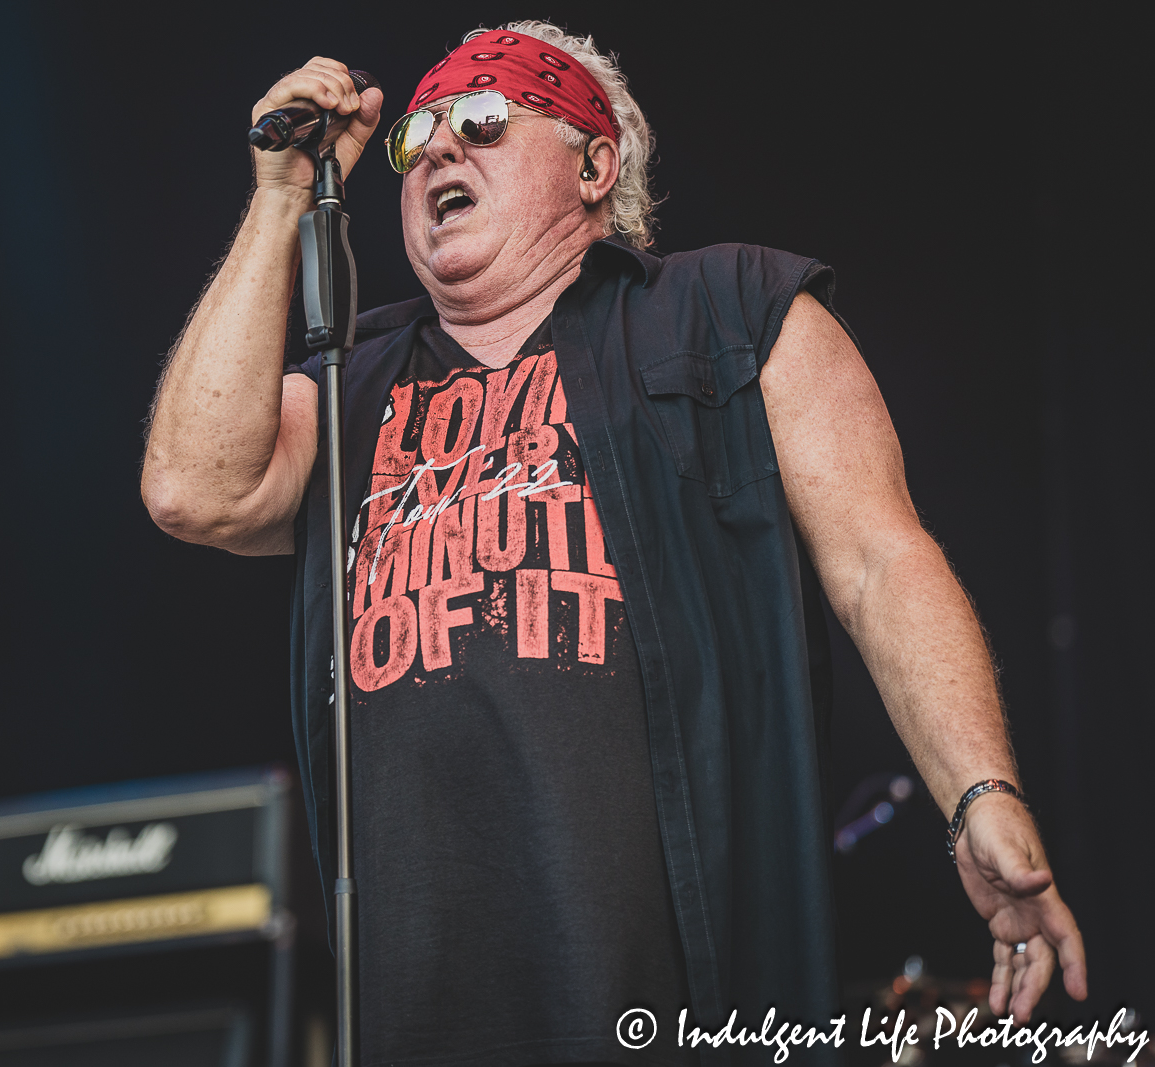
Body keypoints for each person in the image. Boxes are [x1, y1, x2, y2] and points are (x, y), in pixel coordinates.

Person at [141, 21, 1086, 1067]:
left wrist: (978, 790)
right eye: (417, 140)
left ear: (595, 165)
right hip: (417, 1001)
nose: (439, 152)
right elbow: (194, 490)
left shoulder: (728, 313)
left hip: (670, 992)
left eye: (486, 122)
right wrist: (280, 196)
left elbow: (879, 561)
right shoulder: (350, 385)